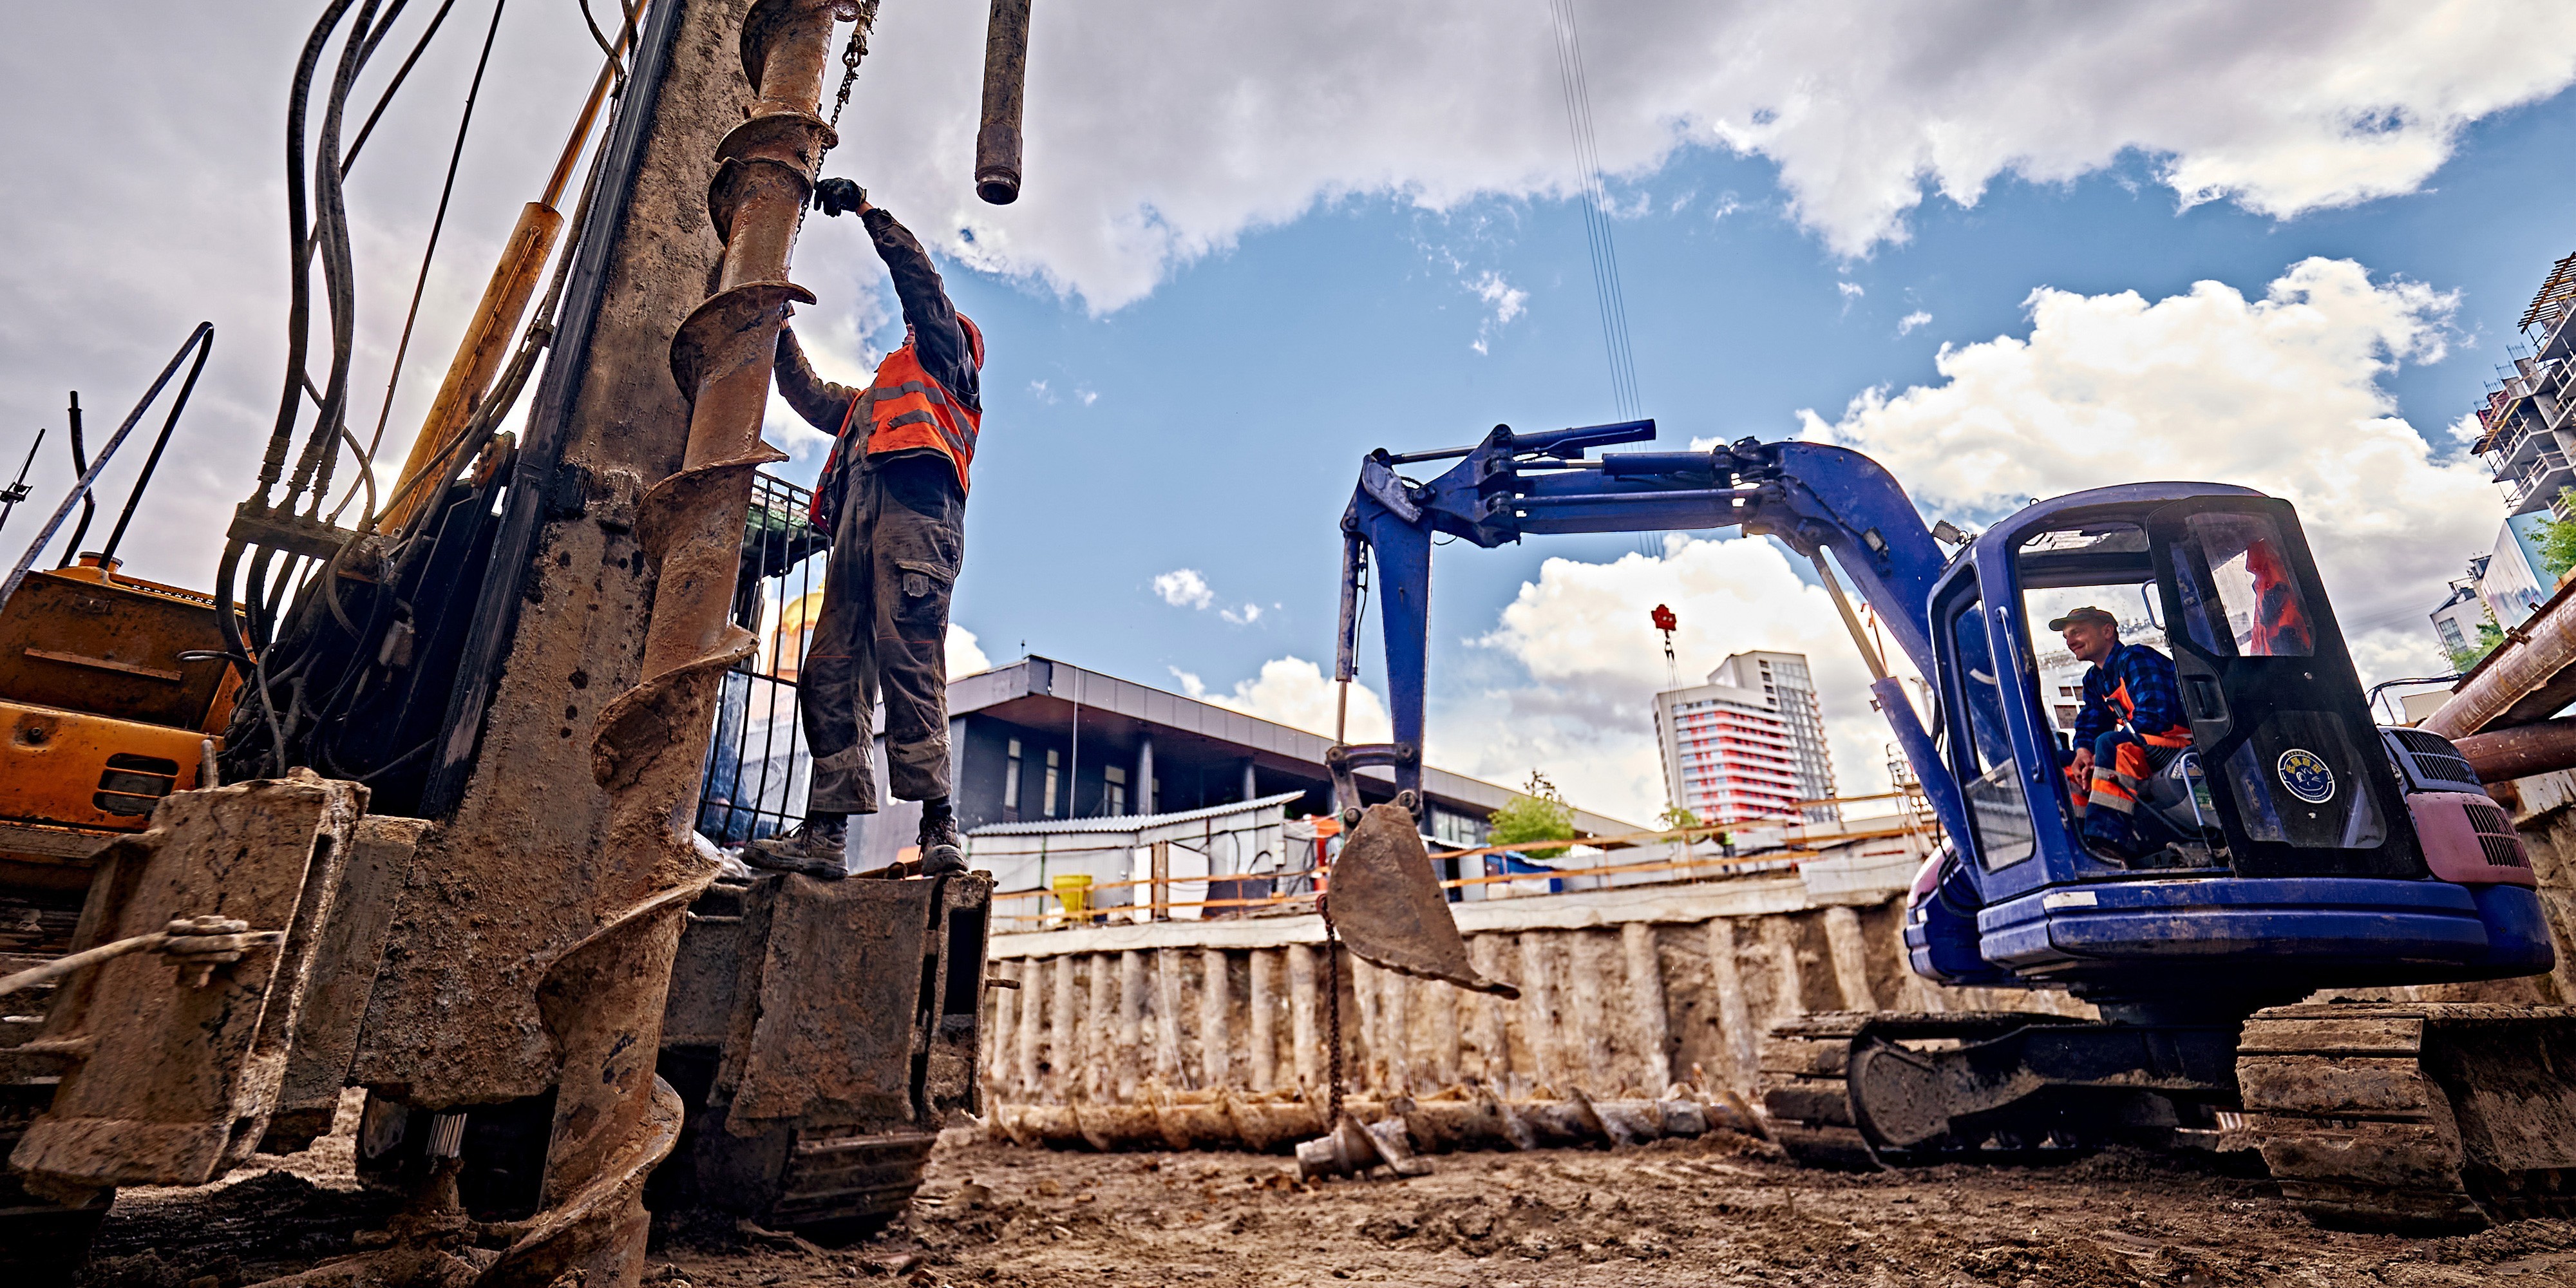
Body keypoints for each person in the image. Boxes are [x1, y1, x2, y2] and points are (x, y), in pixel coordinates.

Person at [744, 178, 980, 880]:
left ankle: (941, 825)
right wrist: (777, 327)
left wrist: (871, 214)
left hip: (916, 520)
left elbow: (921, 287)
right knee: (831, 674)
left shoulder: (949, 363)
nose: (913, 330)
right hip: (858, 531)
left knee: (910, 664)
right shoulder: (874, 401)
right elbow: (810, 394)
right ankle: (824, 838)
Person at [2054, 606, 2192, 860]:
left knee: (2111, 746)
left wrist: (2100, 756)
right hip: (2146, 744)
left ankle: (2109, 843)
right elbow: (2091, 721)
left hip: (2179, 743)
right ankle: (2080, 839)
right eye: (2066, 637)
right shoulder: (2095, 679)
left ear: (2108, 631)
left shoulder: (2136, 658)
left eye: (2077, 632)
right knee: (2064, 763)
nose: (2070, 641)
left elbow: (2154, 716)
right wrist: (2084, 752)